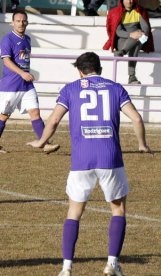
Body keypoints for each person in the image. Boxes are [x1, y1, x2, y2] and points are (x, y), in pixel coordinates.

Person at [27, 52, 153, 276]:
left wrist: (41, 142)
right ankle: (112, 263)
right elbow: (136, 118)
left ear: (80, 70)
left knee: (74, 212)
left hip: (81, 160)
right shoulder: (116, 88)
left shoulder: (70, 89)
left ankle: (66, 268)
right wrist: (142, 144)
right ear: (100, 69)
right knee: (118, 209)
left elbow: (54, 120)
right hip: (110, 157)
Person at [0, 11, 59, 154]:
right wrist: (22, 73)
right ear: (12, 23)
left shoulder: (27, 39)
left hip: (26, 85)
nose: (21, 23)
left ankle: (44, 144)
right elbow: (6, 60)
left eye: (24, 21)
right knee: (3, 116)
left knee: (35, 113)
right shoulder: (7, 39)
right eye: (18, 21)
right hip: (11, 85)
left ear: (27, 22)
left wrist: (25, 75)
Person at [103, 0, 154, 85]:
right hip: (122, 40)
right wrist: (131, 34)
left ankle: (122, 52)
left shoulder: (139, 11)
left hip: (138, 38)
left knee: (140, 39)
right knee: (137, 41)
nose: (129, 2)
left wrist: (138, 34)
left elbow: (146, 29)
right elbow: (118, 32)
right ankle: (132, 76)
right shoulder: (116, 12)